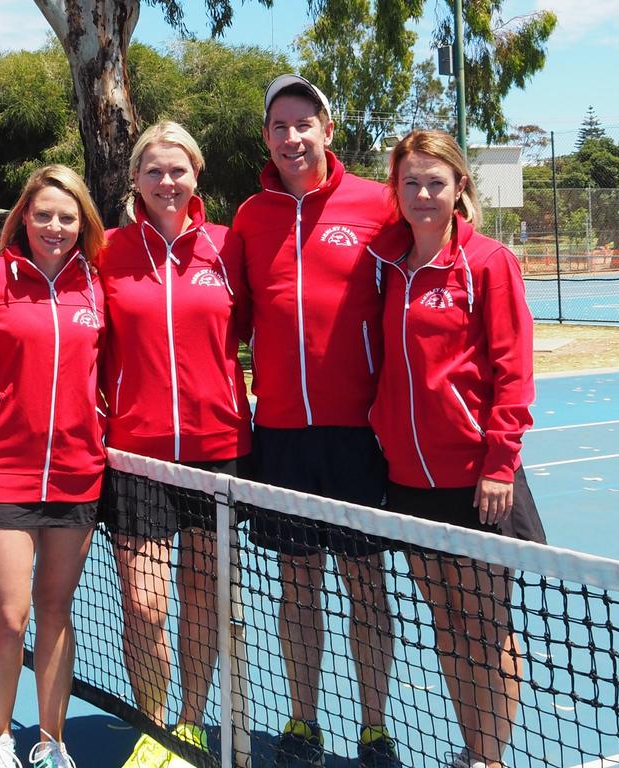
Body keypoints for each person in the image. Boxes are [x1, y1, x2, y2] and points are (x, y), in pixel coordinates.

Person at [231, 75, 401, 767]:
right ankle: (303, 723)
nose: (293, 137)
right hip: (281, 437)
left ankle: (373, 726)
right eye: (280, 126)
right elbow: (232, 317)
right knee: (297, 584)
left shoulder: (377, 205)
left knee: (366, 584)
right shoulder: (251, 216)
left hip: (359, 438)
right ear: (267, 136)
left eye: (305, 124)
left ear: (328, 130)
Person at [367, 130, 546, 768]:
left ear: (459, 187)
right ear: (396, 188)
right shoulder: (386, 264)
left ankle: (490, 759)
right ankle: (474, 752)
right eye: (411, 182)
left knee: (485, 626)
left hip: (478, 484)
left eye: (435, 182)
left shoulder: (490, 261)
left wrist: (499, 466)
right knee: (447, 626)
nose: (422, 194)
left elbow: (512, 372)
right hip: (410, 482)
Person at [100, 121, 253, 768]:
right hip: (136, 455)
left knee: (203, 596)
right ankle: (153, 726)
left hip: (218, 452)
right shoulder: (105, 249)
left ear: (196, 177)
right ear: (135, 179)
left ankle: (190, 725)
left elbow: (253, 329)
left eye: (178, 170)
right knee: (143, 603)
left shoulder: (227, 248)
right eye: (154, 170)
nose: (167, 181)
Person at [0, 165, 106, 768]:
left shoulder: (99, 286)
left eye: (67, 217)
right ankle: (0, 738)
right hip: (1, 472)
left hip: (77, 472)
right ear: (23, 217)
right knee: (9, 615)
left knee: (56, 612)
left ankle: (52, 742)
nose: (54, 226)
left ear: (83, 224)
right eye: (43, 214)